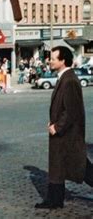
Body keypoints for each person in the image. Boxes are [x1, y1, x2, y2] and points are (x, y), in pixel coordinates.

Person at [35, 46, 93, 209]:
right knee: (57, 166)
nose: (50, 61)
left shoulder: (69, 80)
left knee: (82, 167)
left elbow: (71, 110)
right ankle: (54, 200)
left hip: (68, 135)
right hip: (62, 134)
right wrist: (53, 123)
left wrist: (58, 127)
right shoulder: (65, 78)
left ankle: (54, 200)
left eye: (53, 58)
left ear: (62, 61)